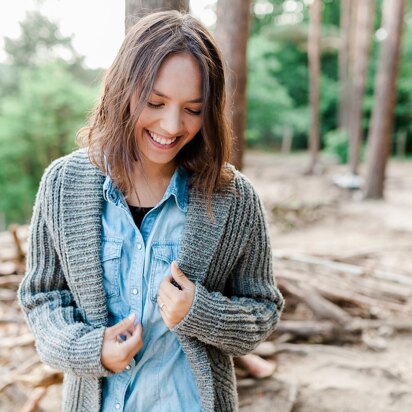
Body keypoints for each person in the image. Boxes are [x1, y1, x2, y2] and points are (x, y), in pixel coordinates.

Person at [18, 10, 284, 412]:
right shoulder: (64, 184)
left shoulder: (234, 199)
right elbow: (43, 297)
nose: (172, 125)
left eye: (193, 109)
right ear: (123, 88)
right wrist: (89, 349)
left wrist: (201, 311)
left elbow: (262, 310)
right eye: (156, 102)